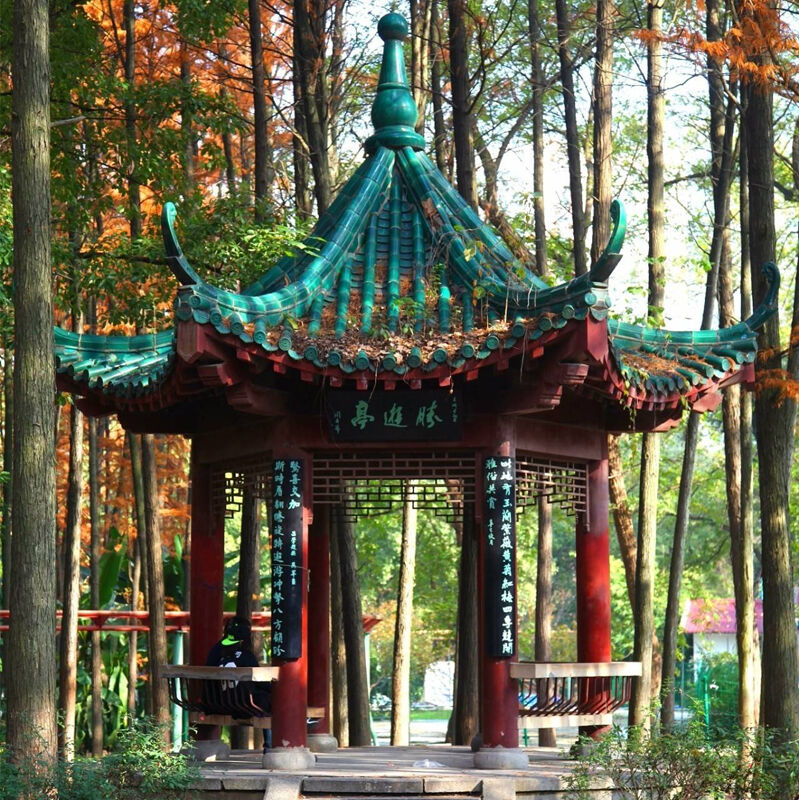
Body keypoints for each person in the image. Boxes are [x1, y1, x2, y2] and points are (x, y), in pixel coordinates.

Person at [205, 616, 272, 733]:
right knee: (271, 699)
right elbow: (259, 681)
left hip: (217, 702)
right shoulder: (246, 655)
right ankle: (269, 743)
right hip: (243, 704)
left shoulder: (215, 651)